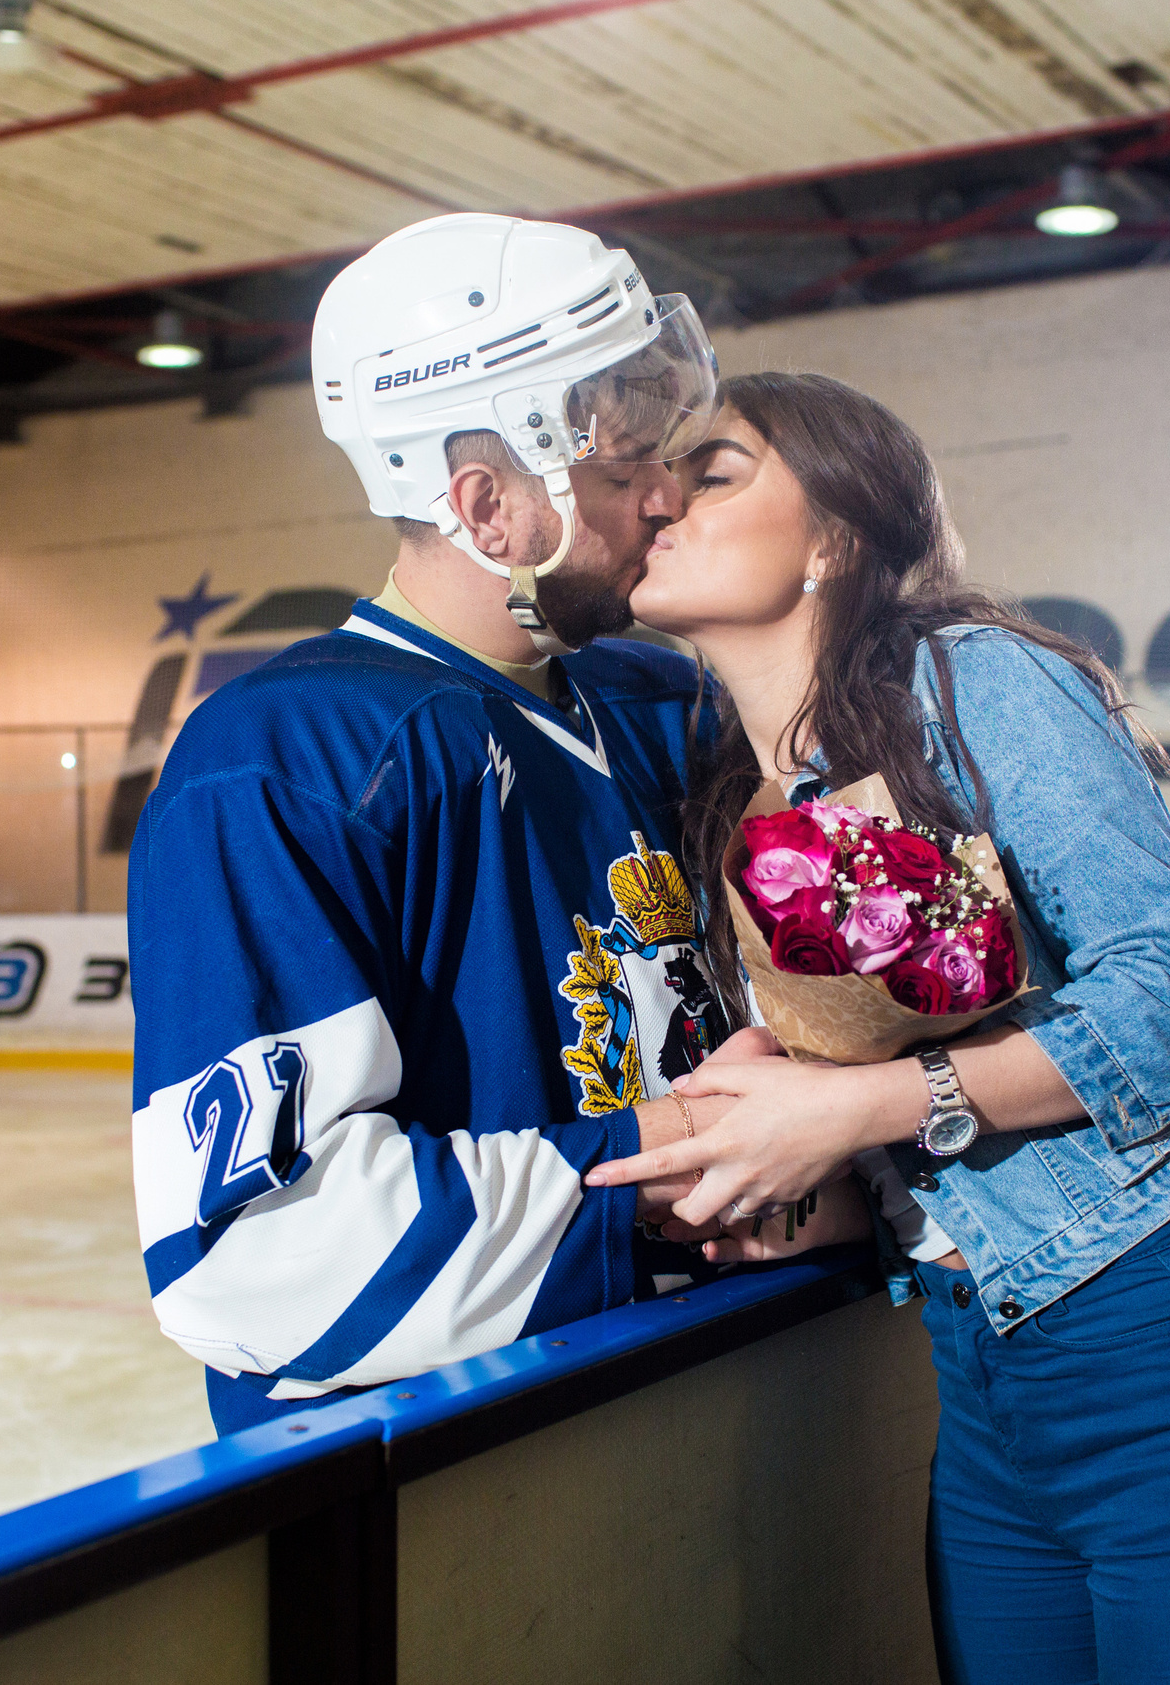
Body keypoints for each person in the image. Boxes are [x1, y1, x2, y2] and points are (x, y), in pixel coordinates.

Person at [584, 372, 1170, 1683]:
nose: (663, 495)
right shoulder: (740, 787)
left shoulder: (971, 683)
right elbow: (911, 1147)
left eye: (718, 468)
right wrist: (775, 1173)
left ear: (835, 534)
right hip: (985, 1389)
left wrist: (862, 1106)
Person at [127, 214, 755, 1436]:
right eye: (621, 469)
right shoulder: (282, 759)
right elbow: (260, 1262)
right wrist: (678, 1158)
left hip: (718, 1397)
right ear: (487, 505)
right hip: (456, 1483)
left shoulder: (664, 698)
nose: (665, 494)